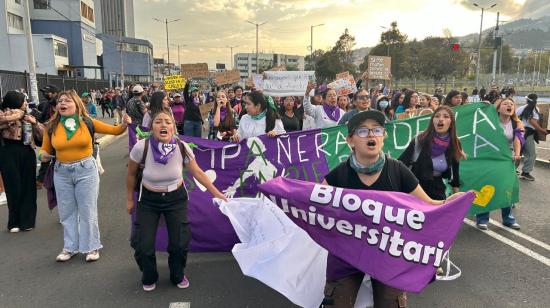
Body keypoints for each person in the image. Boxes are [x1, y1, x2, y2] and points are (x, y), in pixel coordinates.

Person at [322, 110, 463, 307]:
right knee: (337, 301)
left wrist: (452, 203)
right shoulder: (338, 175)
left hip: (388, 254)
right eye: (362, 131)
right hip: (347, 254)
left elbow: (429, 206)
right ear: (351, 141)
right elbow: (312, 206)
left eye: (377, 130)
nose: (371, 135)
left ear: (383, 137)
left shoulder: (397, 171)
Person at [127, 108, 227, 291]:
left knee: (179, 243)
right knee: (143, 245)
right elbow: (131, 174)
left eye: (167, 121)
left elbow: (197, 172)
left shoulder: (182, 147)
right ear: (151, 128)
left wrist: (217, 193)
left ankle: (177, 274)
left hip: (176, 199)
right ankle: (149, 275)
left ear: (173, 127)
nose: (163, 124)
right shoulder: (142, 147)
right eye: (158, 122)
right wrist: (129, 200)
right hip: (148, 200)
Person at [40, 90, 131, 262]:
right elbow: (45, 149)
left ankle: (91, 247)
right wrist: (42, 155)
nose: (62, 104)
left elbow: (116, 130)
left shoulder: (87, 122)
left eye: (67, 101)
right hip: (61, 172)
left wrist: (125, 124)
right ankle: (70, 247)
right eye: (60, 101)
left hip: (85, 170)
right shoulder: (51, 126)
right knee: (67, 212)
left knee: (87, 210)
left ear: (76, 104)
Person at [398, 105, 464, 200]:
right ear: (432, 120)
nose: (440, 119)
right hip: (414, 188)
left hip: (437, 190)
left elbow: (455, 175)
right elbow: (401, 164)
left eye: (446, 116)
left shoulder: (454, 143)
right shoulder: (420, 140)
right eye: (437, 116)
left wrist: (458, 201)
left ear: (451, 122)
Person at [0, 91, 44, 233]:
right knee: (13, 186)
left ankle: (27, 221)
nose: (26, 103)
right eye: (23, 101)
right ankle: (14, 222)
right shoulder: (3, 114)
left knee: (28, 186)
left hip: (27, 151)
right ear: (14, 101)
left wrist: (35, 123)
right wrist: (18, 114)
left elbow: (43, 135)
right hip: (8, 152)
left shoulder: (31, 115)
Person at [476, 98, 523, 230]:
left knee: (506, 188)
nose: (509, 106)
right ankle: (482, 219)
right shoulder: (490, 121)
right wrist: (483, 107)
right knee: (486, 187)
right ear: (498, 108)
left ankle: (508, 219)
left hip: (506, 160)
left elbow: (517, 140)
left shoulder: (515, 124)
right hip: (489, 158)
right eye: (505, 104)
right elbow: (476, 121)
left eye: (511, 104)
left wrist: (517, 153)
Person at [516, 94, 548, 181]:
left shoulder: (521, 108)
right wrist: (541, 130)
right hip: (528, 133)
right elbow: (532, 121)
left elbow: (514, 118)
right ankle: (526, 173)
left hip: (518, 132)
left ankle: (512, 170)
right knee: (531, 154)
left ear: (526, 100)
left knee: (518, 152)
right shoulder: (535, 109)